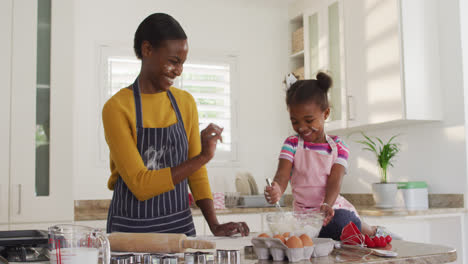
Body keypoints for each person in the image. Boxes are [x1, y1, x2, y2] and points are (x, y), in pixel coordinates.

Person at [102, 13, 249, 237]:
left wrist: (215, 225)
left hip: (179, 230)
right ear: (147, 50)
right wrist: (201, 157)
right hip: (131, 235)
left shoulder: (184, 102)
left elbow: (196, 174)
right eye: (173, 61)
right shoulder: (117, 108)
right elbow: (141, 185)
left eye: (182, 63)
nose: (179, 71)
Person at [264, 72, 400, 240]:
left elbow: (335, 180)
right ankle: (356, 234)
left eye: (309, 120)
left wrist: (327, 204)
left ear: (326, 114)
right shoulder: (291, 143)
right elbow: (282, 175)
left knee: (341, 221)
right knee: (302, 234)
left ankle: (373, 232)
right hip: (304, 217)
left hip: (331, 209)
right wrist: (277, 188)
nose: (301, 127)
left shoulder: (338, 146)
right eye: (295, 121)